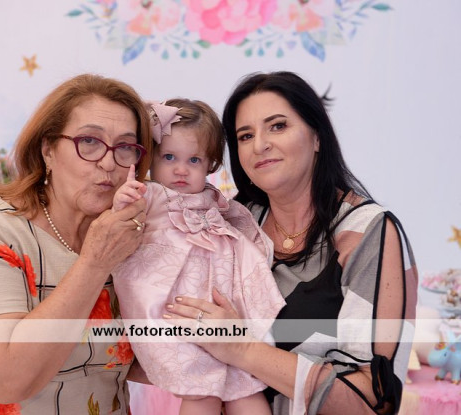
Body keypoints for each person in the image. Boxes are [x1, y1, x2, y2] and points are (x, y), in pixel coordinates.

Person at [163, 72, 418, 414]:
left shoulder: (368, 232)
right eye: (245, 135)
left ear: (317, 137)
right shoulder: (229, 223)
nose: (260, 145)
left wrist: (242, 349)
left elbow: (374, 399)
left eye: (278, 126)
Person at [0, 74, 153, 414]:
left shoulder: (129, 231)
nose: (109, 162)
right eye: (89, 141)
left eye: (125, 147)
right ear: (48, 150)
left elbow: (151, 358)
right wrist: (95, 263)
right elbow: (4, 381)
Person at [111, 99, 286, 415]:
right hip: (176, 309)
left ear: (210, 165)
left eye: (194, 160)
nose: (181, 169)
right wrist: (122, 200)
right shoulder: (149, 195)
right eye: (169, 157)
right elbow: (121, 226)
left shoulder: (214, 201)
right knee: (200, 392)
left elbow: (238, 230)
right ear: (150, 158)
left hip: (221, 308)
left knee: (244, 388)